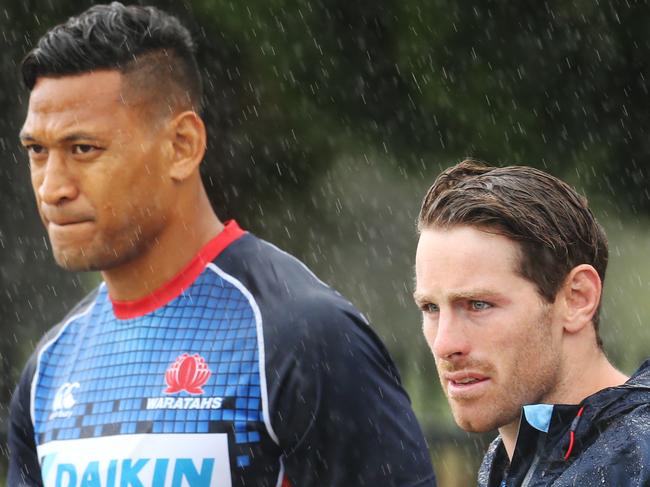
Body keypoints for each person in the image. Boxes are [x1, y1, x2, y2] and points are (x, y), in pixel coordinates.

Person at [8, 3, 437, 486]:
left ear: (182, 145)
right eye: (37, 152)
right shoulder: (49, 369)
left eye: (83, 149)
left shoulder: (300, 335)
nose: (51, 187)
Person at [413, 159, 650, 486]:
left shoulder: (637, 460)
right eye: (430, 308)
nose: (444, 344)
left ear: (577, 298)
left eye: (478, 304)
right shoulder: (512, 462)